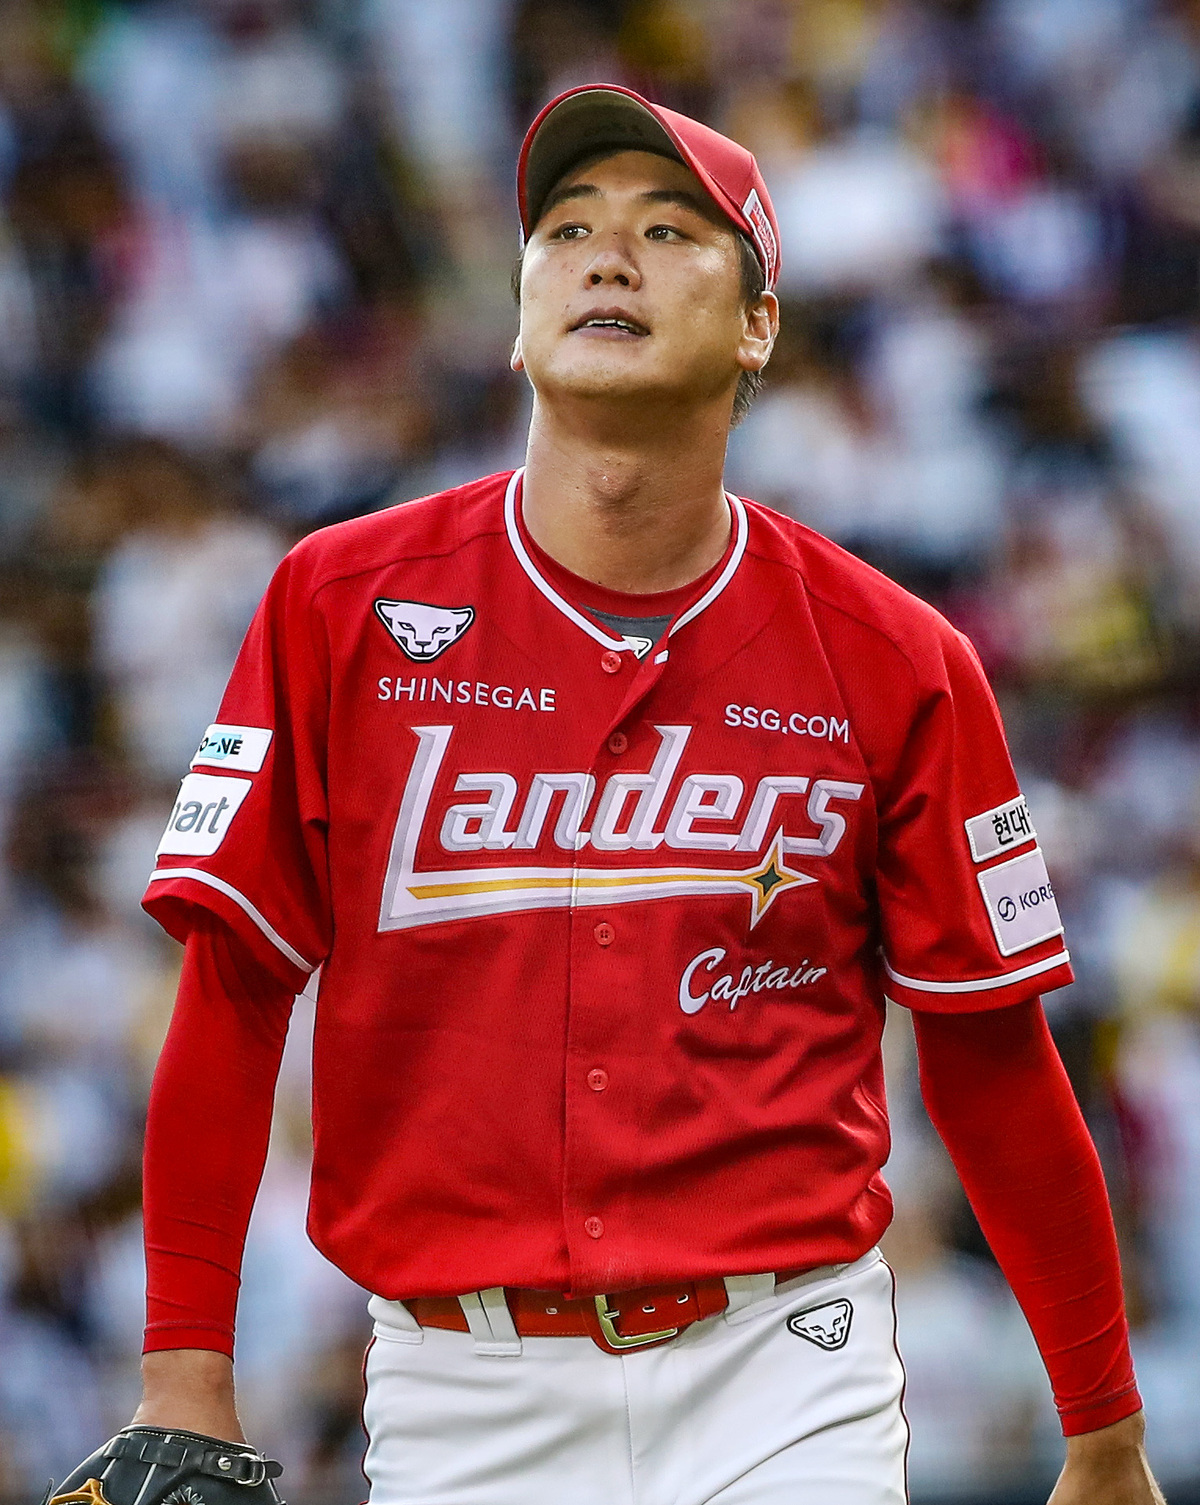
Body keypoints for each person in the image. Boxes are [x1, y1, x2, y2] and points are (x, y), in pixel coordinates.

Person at [51, 86, 1164, 1505]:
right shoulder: (339, 605)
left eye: (668, 229)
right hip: (463, 1384)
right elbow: (232, 991)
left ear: (757, 323)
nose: (607, 257)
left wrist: (1104, 1430)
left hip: (786, 1363)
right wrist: (183, 1373)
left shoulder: (899, 657)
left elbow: (992, 1051)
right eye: (567, 229)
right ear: (517, 324)